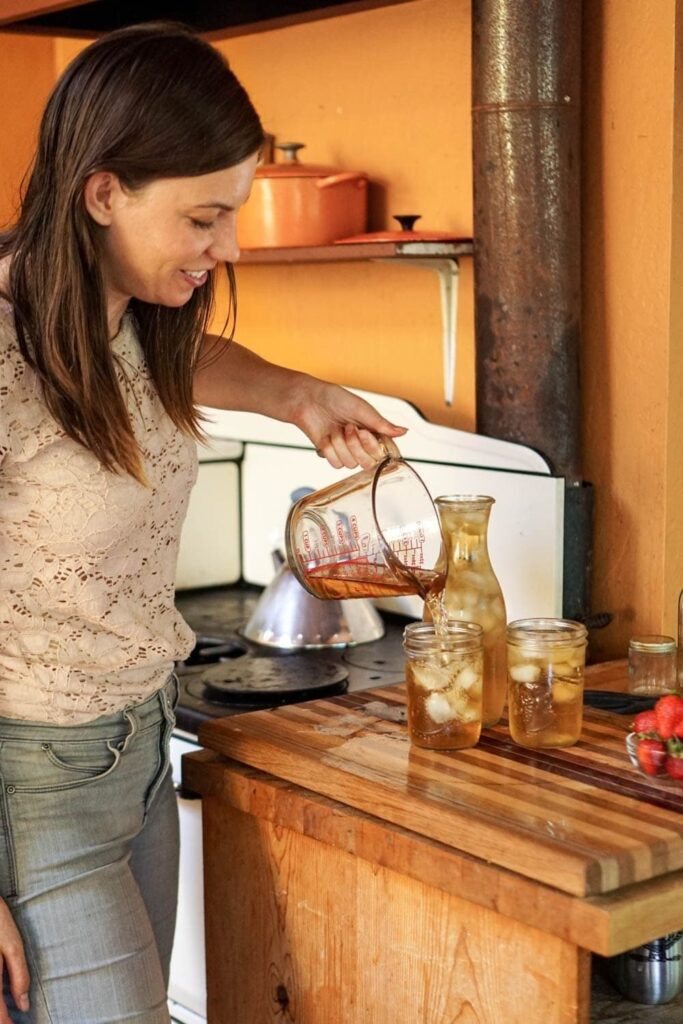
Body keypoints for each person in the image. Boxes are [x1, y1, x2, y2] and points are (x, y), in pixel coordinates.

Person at [0, 22, 405, 1024]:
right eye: (204, 219)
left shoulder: (124, 316)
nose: (226, 248)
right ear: (103, 193)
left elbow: (186, 364)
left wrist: (301, 395)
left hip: (140, 750)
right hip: (32, 791)